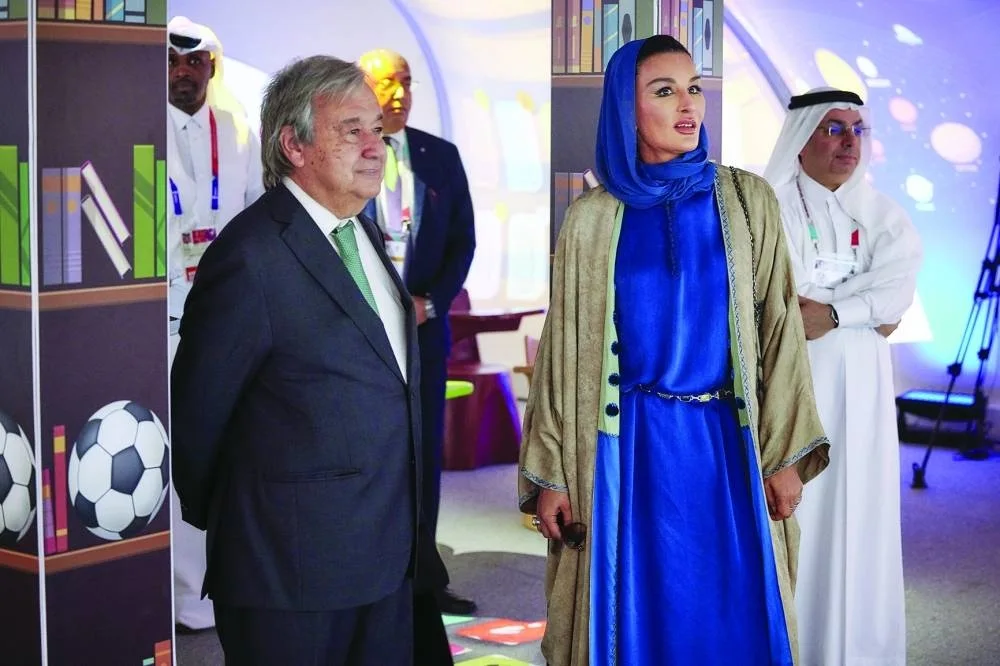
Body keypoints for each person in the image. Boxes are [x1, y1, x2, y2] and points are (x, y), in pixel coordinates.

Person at [518, 35, 831, 665]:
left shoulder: (747, 203)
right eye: (664, 91)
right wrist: (551, 470)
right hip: (626, 451)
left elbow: (780, 333)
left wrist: (786, 452)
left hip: (723, 447)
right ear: (625, 110)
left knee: (731, 609)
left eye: (694, 89)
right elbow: (560, 356)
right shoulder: (591, 220)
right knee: (632, 611)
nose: (688, 105)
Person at [170, 55, 421, 665]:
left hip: (386, 562)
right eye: (351, 130)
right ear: (294, 145)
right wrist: (251, 527)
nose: (374, 146)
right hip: (290, 576)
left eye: (377, 132)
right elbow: (197, 418)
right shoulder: (250, 256)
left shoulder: (361, 230)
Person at [763, 87, 923, 666]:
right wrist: (865, 309)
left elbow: (897, 292)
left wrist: (833, 311)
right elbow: (783, 295)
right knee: (805, 509)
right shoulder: (770, 206)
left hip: (867, 387)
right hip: (797, 381)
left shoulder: (884, 213)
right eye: (833, 128)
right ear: (801, 137)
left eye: (857, 130)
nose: (848, 142)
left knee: (865, 510)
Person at [357, 48, 478, 617]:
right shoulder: (344, 153)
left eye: (406, 82)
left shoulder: (440, 156)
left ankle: (424, 578)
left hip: (425, 333)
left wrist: (432, 302)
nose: (400, 92)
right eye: (387, 83)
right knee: (369, 452)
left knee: (424, 455)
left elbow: (463, 241)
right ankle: (370, 576)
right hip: (359, 339)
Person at [165, 15, 265, 633]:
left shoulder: (237, 129)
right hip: (163, 318)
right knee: (173, 456)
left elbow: (255, 214)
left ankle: (212, 588)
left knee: (224, 450)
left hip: (224, 319)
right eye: (173, 63)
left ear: (211, 67)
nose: (183, 73)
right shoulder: (136, 127)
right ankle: (176, 591)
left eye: (194, 62)